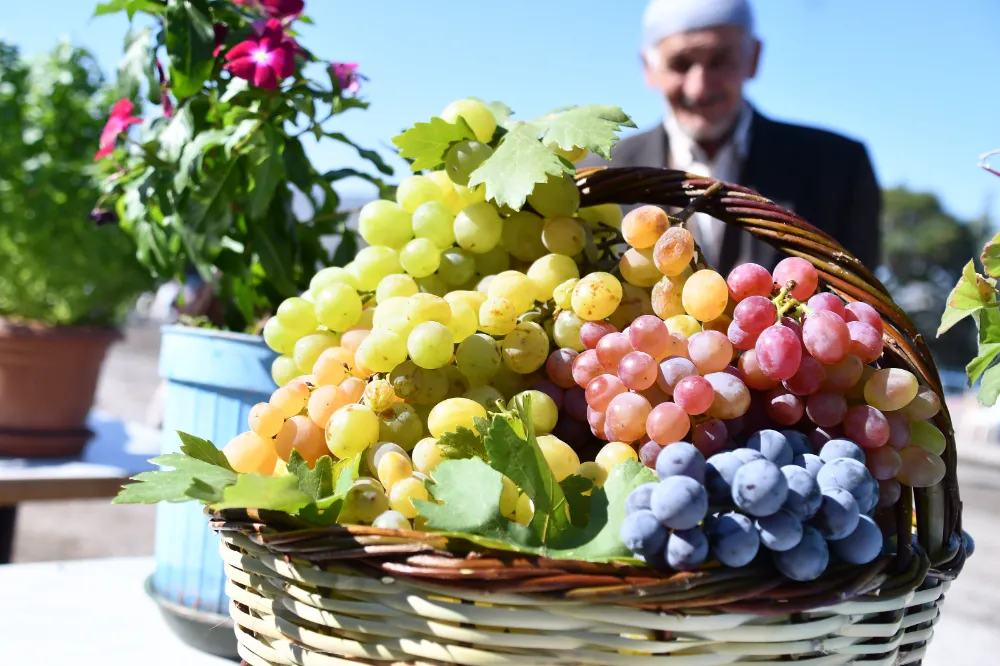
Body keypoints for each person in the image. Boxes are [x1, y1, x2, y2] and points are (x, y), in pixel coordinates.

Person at [581, 0, 881, 275]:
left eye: (720, 60)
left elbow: (863, 310)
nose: (699, 87)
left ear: (754, 58)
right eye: (680, 64)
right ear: (649, 69)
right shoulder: (600, 174)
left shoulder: (838, 168)